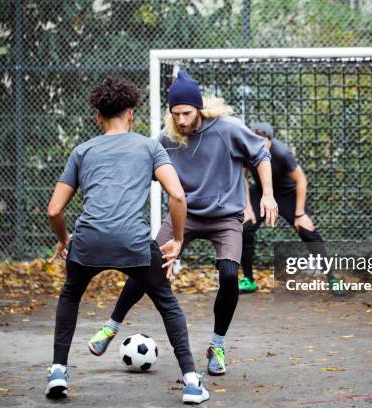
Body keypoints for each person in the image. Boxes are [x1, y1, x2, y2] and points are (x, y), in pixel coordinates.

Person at [89, 71, 278, 377]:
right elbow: (142, 167)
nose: (182, 121)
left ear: (199, 108)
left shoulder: (228, 129)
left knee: (230, 275)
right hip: (185, 217)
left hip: (226, 217)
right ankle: (111, 327)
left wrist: (267, 195)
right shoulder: (168, 137)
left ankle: (217, 345)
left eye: (187, 113)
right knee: (148, 264)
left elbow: (261, 154)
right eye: (175, 114)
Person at [46, 76, 209, 404]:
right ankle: (192, 383)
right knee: (167, 303)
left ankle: (58, 372)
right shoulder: (150, 147)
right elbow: (177, 196)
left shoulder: (82, 151)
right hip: (133, 243)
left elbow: (53, 210)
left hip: (87, 242)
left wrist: (64, 240)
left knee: (70, 296)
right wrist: (177, 240)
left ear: (98, 117)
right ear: (132, 114)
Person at [239, 122, 344, 295]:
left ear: (270, 140)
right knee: (246, 228)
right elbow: (242, 177)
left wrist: (300, 213)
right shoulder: (248, 151)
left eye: (262, 140)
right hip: (263, 193)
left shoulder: (282, 153)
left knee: (307, 231)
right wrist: (248, 207)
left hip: (287, 194)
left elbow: (301, 180)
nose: (258, 144)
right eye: (254, 140)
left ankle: (332, 279)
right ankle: (249, 280)